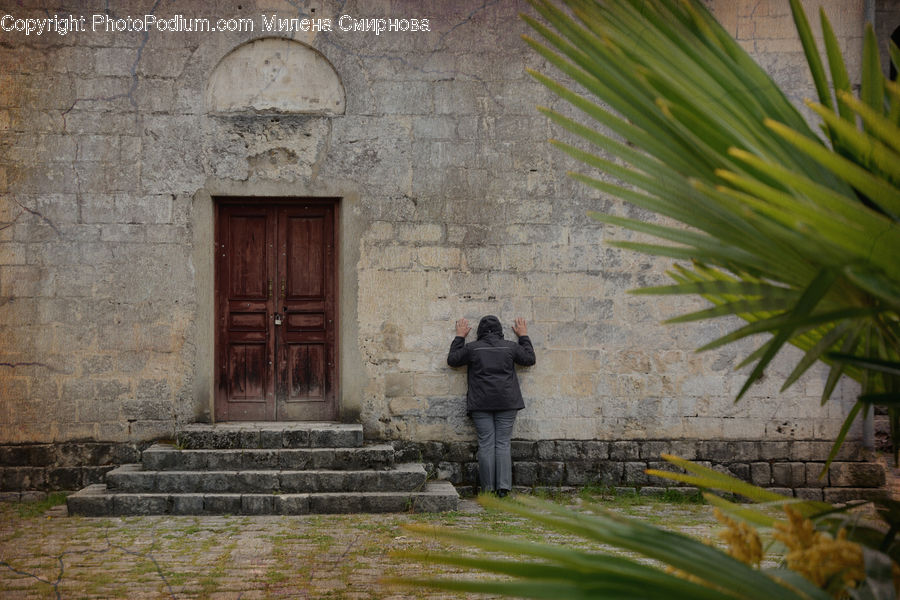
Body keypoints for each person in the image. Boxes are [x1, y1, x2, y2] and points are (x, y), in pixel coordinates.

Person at [447, 315, 536, 497]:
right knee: (503, 443)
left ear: (479, 331)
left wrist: (460, 337)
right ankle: (503, 489)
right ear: (500, 331)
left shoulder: (472, 348)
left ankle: (487, 489)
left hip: (481, 403)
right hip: (507, 401)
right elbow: (529, 359)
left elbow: (453, 360)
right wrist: (524, 336)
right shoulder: (510, 347)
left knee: (486, 444)